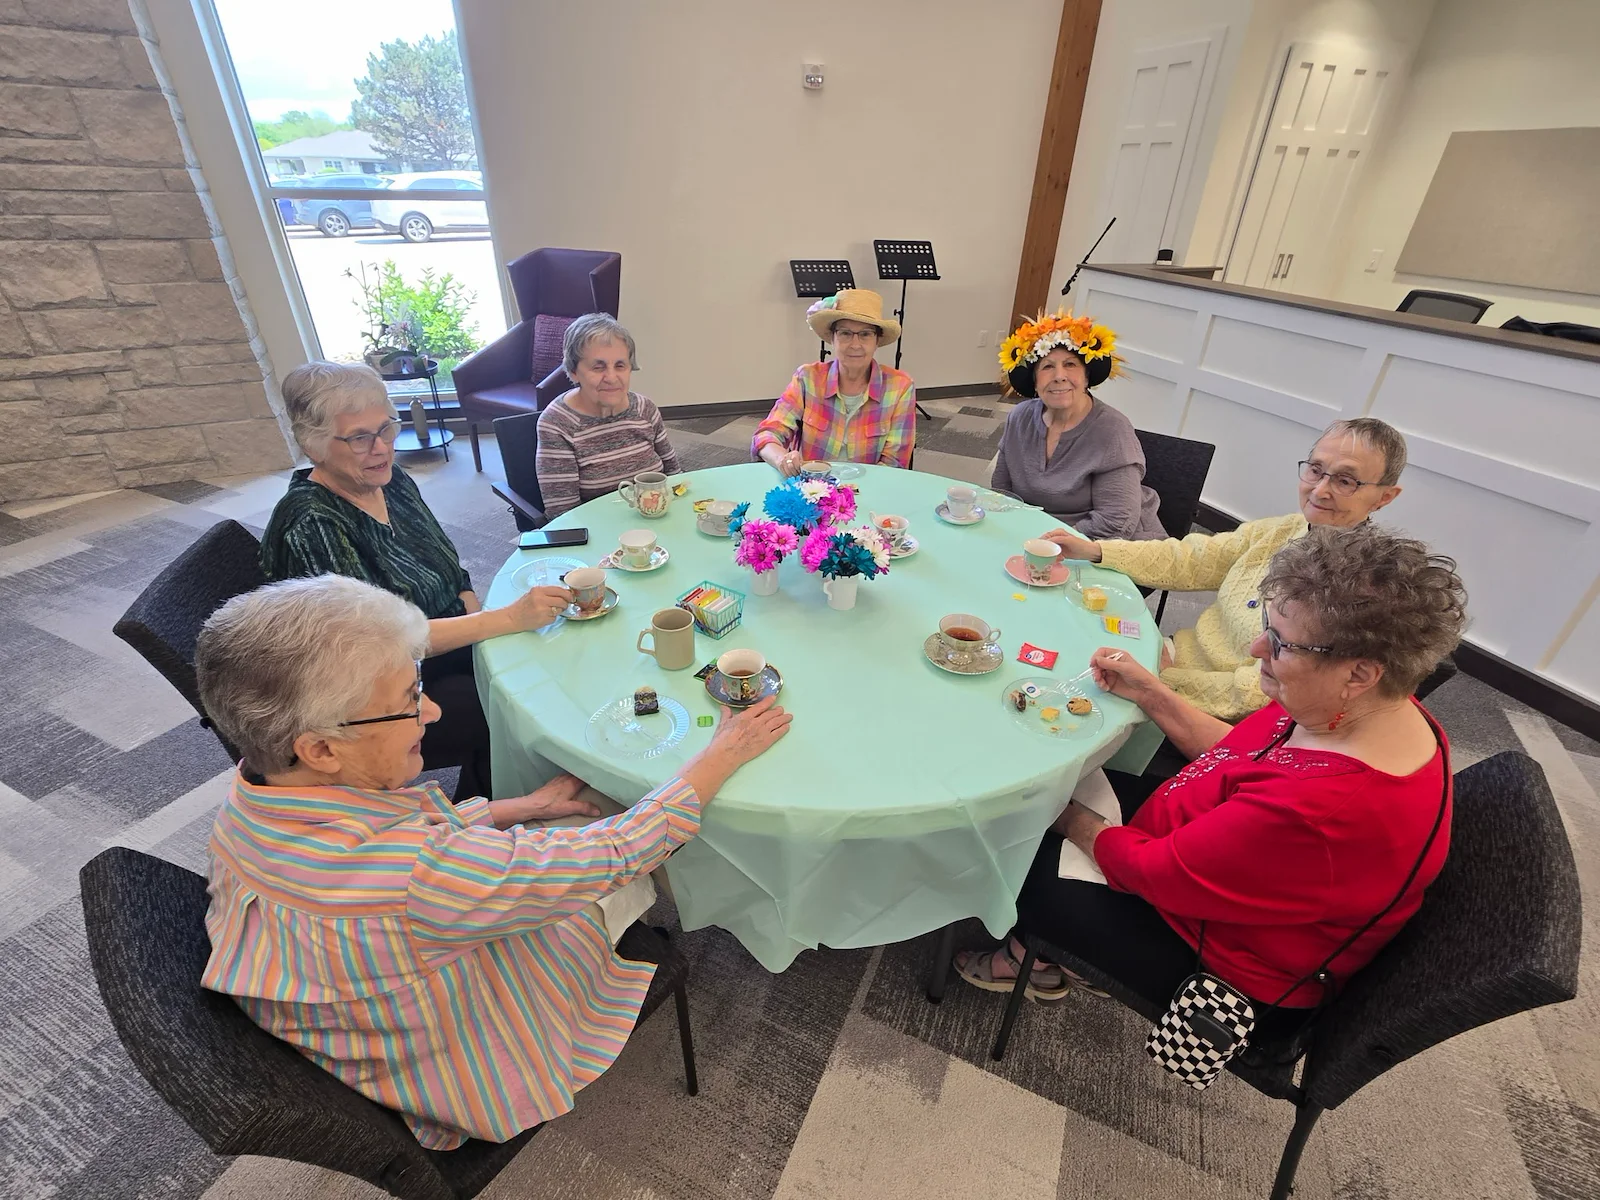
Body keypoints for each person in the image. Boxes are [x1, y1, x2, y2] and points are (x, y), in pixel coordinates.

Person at [196, 574, 792, 1151]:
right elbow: (615, 852)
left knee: (571, 816)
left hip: (365, 995)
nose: (430, 714)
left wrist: (520, 807)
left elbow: (418, 847)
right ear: (321, 749)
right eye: (408, 703)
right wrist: (722, 754)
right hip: (463, 1046)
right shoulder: (414, 877)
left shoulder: (257, 787)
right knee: (630, 833)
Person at [956, 525, 1465, 1028]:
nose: (1256, 650)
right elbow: (1239, 751)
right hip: (1202, 852)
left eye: (1283, 645)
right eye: (1268, 626)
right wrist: (1152, 692)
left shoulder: (1321, 809)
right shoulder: (1369, 709)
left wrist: (1063, 816)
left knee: (1009, 833)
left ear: (1360, 673)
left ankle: (1037, 958)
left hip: (1217, 958)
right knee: (1049, 789)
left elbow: (1149, 871)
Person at [260, 361, 571, 802]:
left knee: (547, 652)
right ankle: (494, 819)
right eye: (359, 438)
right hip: (372, 699)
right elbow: (379, 647)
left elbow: (443, 559)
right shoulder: (312, 525)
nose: (381, 448)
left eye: (385, 428)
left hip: (440, 646)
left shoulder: (390, 480)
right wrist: (501, 621)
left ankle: (493, 789)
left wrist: (467, 597)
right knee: (521, 707)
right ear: (315, 446)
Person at [1042, 416, 1407, 720]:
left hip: (1205, 711)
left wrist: (1160, 680)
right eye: (1316, 469)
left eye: (1345, 480)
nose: (1320, 490)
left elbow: (1261, 694)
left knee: (1059, 700)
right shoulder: (1281, 530)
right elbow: (1191, 558)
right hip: (1169, 657)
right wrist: (1095, 550)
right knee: (1061, 640)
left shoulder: (1355, 590)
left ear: (1385, 497)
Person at [991, 310, 1163, 540]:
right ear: (1034, 380)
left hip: (1104, 545)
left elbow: (1116, 522)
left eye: (1070, 364)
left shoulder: (1113, 429)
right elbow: (1002, 493)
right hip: (1034, 539)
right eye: (1047, 367)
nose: (1059, 376)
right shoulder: (1019, 418)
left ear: (1086, 376)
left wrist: (1045, 541)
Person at [753, 289, 916, 474]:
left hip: (870, 490)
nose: (855, 344)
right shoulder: (807, 378)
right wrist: (782, 458)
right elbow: (767, 434)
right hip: (812, 489)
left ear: (877, 340)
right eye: (845, 333)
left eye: (865, 334)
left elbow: (893, 463)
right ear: (832, 338)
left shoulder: (900, 387)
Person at [535, 313, 682, 518]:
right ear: (574, 371)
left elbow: (674, 476)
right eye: (598, 367)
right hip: (598, 533)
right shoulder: (558, 424)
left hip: (654, 523)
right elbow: (563, 514)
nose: (611, 378)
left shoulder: (644, 409)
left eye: (620, 365)